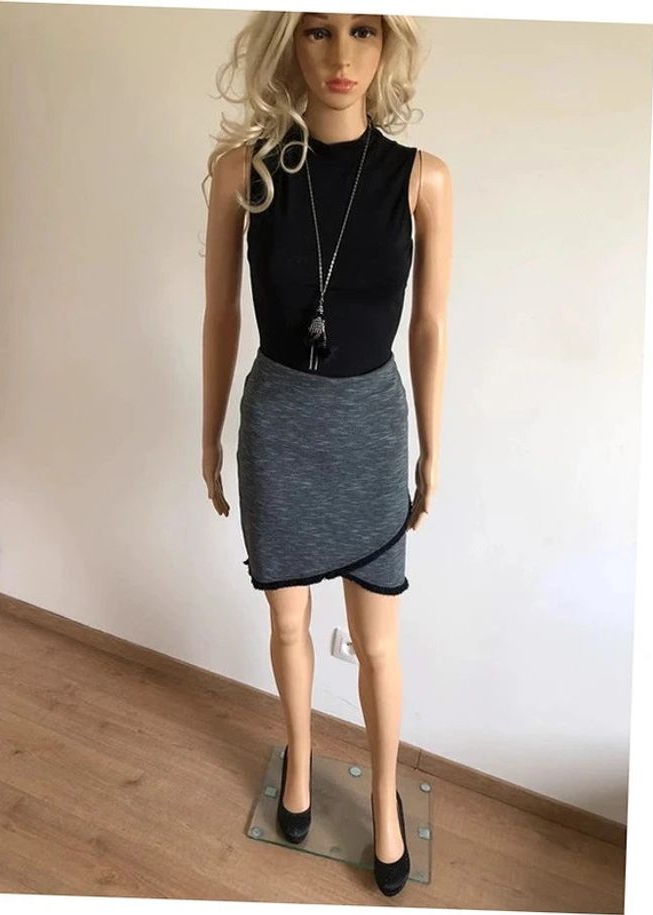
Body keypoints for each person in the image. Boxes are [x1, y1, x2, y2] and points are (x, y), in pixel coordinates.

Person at [201, 10, 452, 897]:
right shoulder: (245, 171)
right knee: (286, 623)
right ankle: (301, 763)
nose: (341, 55)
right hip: (278, 428)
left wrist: (432, 448)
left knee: (379, 643)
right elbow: (221, 314)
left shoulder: (421, 179)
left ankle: (383, 801)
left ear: (388, 46)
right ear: (288, 44)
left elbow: (429, 325)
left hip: (372, 431)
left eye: (363, 31)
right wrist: (208, 434)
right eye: (317, 31)